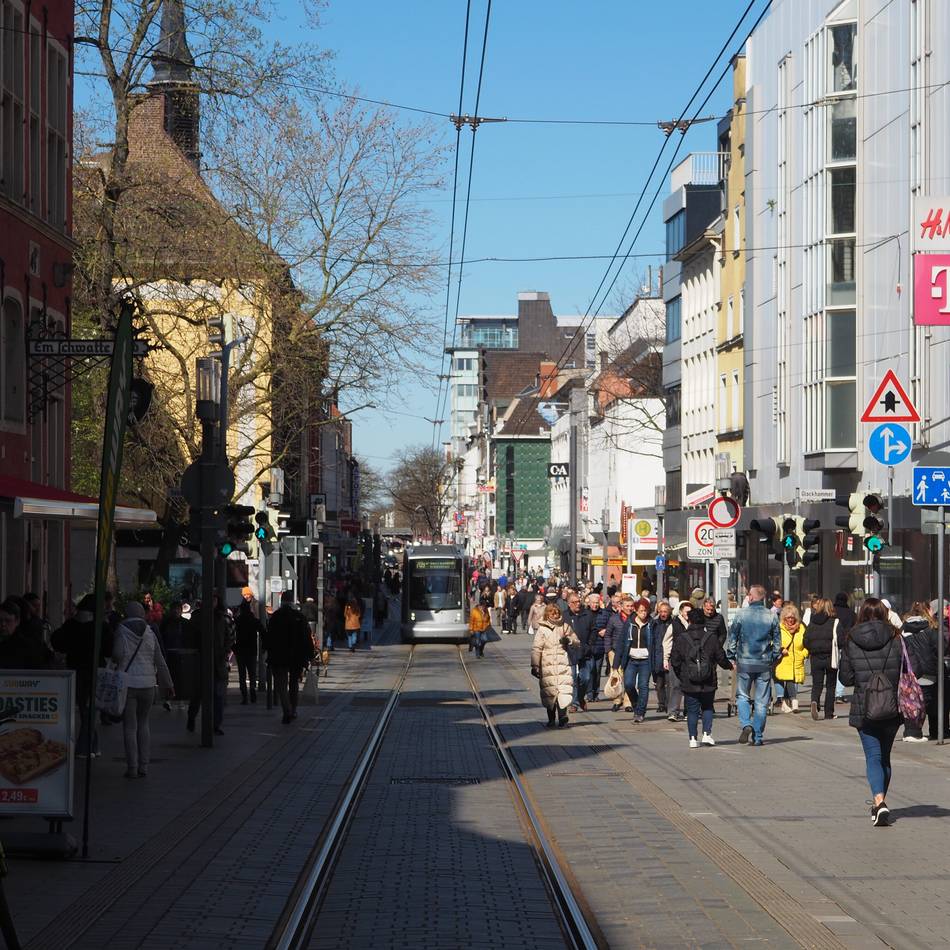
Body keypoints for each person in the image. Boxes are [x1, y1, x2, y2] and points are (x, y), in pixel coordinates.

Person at [839, 598, 904, 826]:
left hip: (864, 707)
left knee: (873, 757)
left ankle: (879, 802)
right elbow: (908, 668)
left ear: (862, 613)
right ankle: (879, 805)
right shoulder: (896, 637)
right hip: (892, 705)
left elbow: (845, 678)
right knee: (884, 757)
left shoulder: (851, 639)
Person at [111, 602, 174, 777]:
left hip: (128, 684)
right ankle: (144, 765)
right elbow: (160, 661)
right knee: (144, 724)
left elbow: (116, 654)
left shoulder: (121, 631)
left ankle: (132, 767)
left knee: (129, 727)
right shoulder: (150, 633)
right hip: (148, 685)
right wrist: (168, 684)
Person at [51, 594, 112, 757]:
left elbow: (57, 642)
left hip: (76, 670)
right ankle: (85, 747)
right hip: (96, 670)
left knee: (85, 709)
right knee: (91, 709)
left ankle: (93, 745)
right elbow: (109, 649)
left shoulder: (71, 624)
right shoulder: (100, 626)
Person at [725, 584, 782, 746]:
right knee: (762, 701)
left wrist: (731, 656)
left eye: (749, 594)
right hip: (764, 662)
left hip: (745, 661)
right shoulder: (771, 616)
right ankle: (758, 736)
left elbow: (733, 637)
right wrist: (774, 656)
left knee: (742, 696)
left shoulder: (741, 614)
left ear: (752, 596)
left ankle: (746, 724)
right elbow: (777, 641)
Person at [670, 606, 731, 748]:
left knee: (692, 709)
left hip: (689, 680)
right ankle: (706, 735)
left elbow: (675, 661)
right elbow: (720, 657)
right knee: (708, 707)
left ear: (689, 620)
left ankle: (692, 738)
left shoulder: (681, 638)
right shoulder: (711, 637)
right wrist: (729, 666)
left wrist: (682, 675)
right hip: (708, 679)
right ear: (703, 621)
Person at [265, 591, 315, 724]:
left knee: (281, 685)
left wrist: (268, 653)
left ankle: (286, 710)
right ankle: (293, 710)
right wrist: (310, 655)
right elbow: (306, 638)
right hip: (296, 657)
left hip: (279, 657)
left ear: (282, 601)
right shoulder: (299, 617)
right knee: (293, 684)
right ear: (292, 602)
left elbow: (269, 638)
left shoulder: (275, 617)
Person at [187, 594, 233, 736]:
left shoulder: (222, 618)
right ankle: (192, 717)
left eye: (214, 599)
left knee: (217, 695)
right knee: (198, 693)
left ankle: (215, 724)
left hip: (217, 661)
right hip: (202, 659)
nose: (212, 602)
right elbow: (190, 636)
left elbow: (230, 637)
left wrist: (225, 651)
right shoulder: (197, 617)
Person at [531, 604, 580, 728]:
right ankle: (551, 719)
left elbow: (576, 641)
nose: (556, 615)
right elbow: (537, 648)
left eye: (557, 612)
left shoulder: (564, 626)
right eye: (553, 613)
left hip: (562, 663)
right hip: (547, 665)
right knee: (550, 693)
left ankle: (563, 717)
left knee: (563, 691)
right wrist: (535, 665)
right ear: (547, 614)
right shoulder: (542, 629)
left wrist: (568, 640)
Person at [901, 602, 942, 742]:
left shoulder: (903, 628)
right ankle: (936, 731)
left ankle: (912, 731)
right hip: (930, 672)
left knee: (911, 702)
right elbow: (940, 648)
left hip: (910, 673)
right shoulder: (932, 628)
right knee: (933, 703)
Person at [612, 599, 653, 722]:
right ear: (636, 610)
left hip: (646, 661)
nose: (643, 613)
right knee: (629, 685)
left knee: (643, 686)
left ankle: (640, 713)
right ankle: (636, 705)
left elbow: (655, 644)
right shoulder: (629, 623)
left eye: (645, 611)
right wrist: (615, 665)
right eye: (641, 611)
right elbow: (621, 643)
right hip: (631, 660)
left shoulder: (652, 624)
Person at [803, 598, 839, 720]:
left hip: (815, 657)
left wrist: (812, 649)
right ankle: (829, 712)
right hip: (830, 656)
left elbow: (805, 640)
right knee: (831, 685)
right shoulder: (834, 622)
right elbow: (841, 639)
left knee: (817, 684)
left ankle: (814, 701)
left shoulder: (812, 622)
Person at [563, 592, 595, 712]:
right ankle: (574, 703)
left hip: (585, 651)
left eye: (578, 601)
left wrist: (589, 645)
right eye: (574, 602)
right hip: (570, 652)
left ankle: (581, 697)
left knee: (585, 678)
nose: (577, 604)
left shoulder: (588, 614)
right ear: (569, 603)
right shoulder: (564, 616)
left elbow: (593, 631)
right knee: (573, 679)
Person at [774, 604, 808, 713]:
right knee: (789, 680)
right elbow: (773, 642)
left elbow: (807, 643)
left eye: (792, 618)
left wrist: (804, 654)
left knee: (792, 680)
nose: (790, 620)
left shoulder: (802, 628)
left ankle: (784, 702)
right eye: (788, 618)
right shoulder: (779, 628)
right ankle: (794, 701)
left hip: (797, 659)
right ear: (783, 618)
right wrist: (780, 649)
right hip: (784, 660)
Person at [0, 599, 52, 669]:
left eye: (8, 621)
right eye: (0, 620)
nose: (3, 624)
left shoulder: (27, 647)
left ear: (17, 621)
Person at [234, 599, 263, 704]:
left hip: (240, 650)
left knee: (242, 674)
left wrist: (233, 647)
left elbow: (232, 634)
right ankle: (252, 692)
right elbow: (262, 631)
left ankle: (244, 697)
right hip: (252, 650)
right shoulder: (253, 620)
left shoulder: (238, 620)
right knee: (252, 674)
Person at [650, 600, 674, 713]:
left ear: (669, 612)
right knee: (659, 683)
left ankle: (669, 704)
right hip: (658, 655)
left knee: (669, 683)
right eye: (661, 612)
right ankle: (661, 704)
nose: (663, 614)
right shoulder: (654, 623)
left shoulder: (673, 623)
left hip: (670, 657)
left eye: (665, 612)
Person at [585, 591, 605, 702]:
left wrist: (606, 630)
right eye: (593, 603)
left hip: (600, 647)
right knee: (590, 670)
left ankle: (595, 692)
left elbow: (610, 626)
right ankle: (589, 693)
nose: (595, 605)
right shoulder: (585, 614)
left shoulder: (604, 613)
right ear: (589, 603)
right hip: (589, 646)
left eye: (597, 603)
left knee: (597, 671)